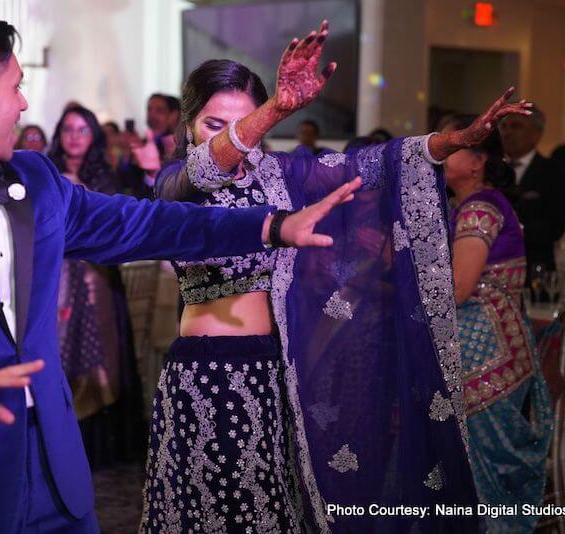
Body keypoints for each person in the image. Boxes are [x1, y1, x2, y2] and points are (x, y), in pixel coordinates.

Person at [0, 12, 357, 534]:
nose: (24, 104)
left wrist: (272, 226)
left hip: (55, 481)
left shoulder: (34, 178)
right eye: (15, 87)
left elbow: (148, 223)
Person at [141, 20, 532, 532]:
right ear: (189, 125)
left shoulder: (277, 175)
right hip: (204, 375)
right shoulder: (177, 181)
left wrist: (446, 142)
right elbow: (209, 170)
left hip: (269, 374)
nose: (239, 140)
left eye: (250, 122)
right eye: (216, 124)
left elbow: (366, 166)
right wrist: (273, 111)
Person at [443, 114, 553, 533]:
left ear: (477, 161)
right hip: (494, 352)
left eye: (453, 143)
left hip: (486, 361)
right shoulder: (471, 205)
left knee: (483, 484)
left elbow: (457, 288)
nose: (441, 146)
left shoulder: (480, 209)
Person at [47, 105, 144, 466]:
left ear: (94, 137)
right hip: (52, 278)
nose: (74, 136)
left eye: (82, 130)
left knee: (103, 353)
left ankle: (96, 444)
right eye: (68, 129)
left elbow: (119, 225)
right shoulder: (46, 176)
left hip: (96, 277)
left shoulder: (105, 180)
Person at [500, 106, 565, 271]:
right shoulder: (489, 169)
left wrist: (506, 228)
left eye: (516, 126)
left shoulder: (555, 173)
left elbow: (554, 228)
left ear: (536, 135)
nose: (507, 133)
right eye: (504, 126)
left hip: (534, 269)